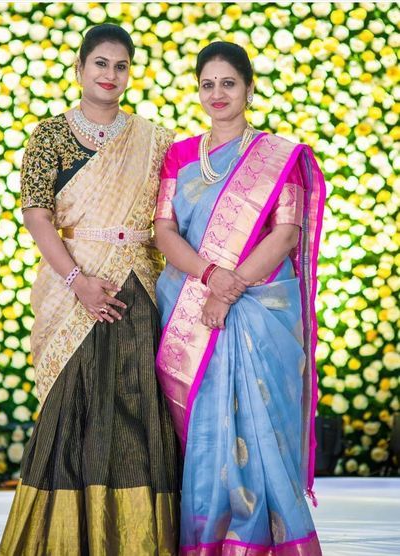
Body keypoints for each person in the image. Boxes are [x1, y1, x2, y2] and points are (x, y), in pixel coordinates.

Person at [0, 24, 179, 555]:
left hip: (137, 287)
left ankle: (142, 543)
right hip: (73, 285)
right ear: (80, 69)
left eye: (121, 66)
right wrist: (78, 283)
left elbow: (172, 216)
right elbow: (37, 216)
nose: (111, 75)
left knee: (137, 414)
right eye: (101, 64)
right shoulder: (49, 135)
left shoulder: (154, 139)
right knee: (73, 410)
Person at [155, 41, 325, 554]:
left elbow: (285, 233)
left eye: (228, 83)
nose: (217, 93)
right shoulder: (180, 155)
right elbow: (164, 232)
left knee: (260, 423)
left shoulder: (280, 156)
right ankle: (206, 538)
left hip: (255, 308)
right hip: (188, 300)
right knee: (205, 429)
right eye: (208, 84)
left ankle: (257, 540)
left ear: (249, 88)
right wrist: (210, 276)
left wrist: (227, 293)